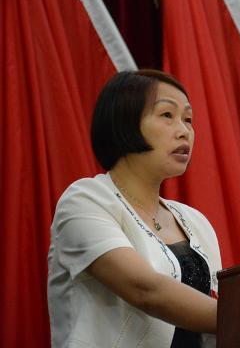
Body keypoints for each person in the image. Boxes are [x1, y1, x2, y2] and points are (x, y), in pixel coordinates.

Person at [47, 70, 221, 348]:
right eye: (167, 115)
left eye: (188, 119)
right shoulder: (85, 200)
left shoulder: (195, 221)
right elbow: (145, 290)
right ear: (124, 123)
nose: (184, 131)